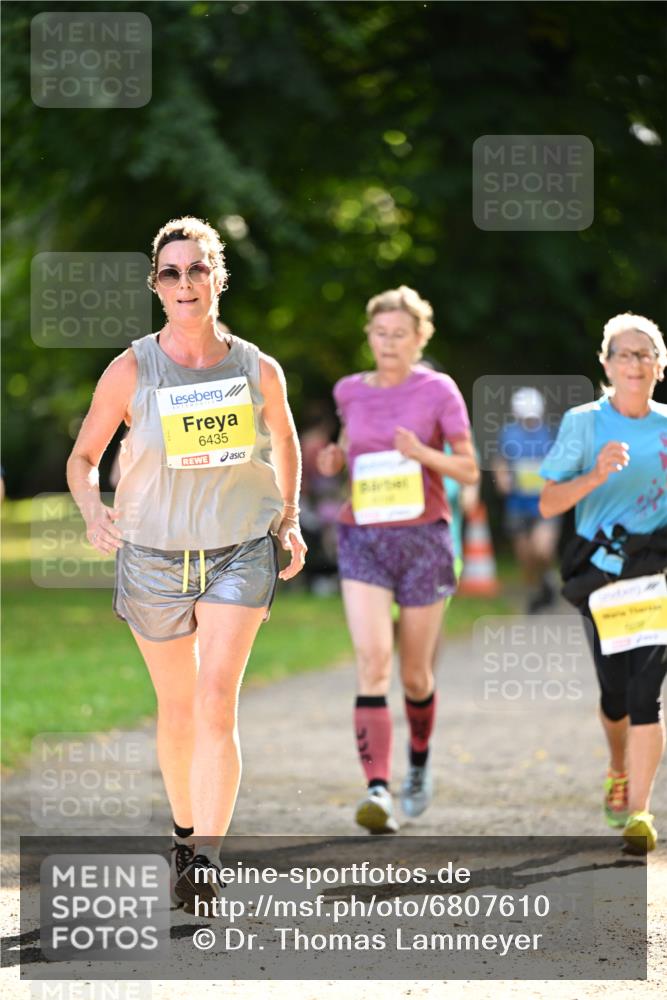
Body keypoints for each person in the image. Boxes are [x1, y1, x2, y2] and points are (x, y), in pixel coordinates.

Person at [67, 216, 307, 906]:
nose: (184, 283)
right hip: (151, 556)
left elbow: (284, 443)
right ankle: (182, 833)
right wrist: (91, 510)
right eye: (170, 272)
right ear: (156, 285)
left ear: (217, 278)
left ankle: (205, 857)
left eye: (196, 269)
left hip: (238, 548)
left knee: (213, 701)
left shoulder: (256, 367)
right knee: (176, 710)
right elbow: (82, 459)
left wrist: (287, 519)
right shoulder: (131, 367)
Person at [317, 286, 479, 833]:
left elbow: (469, 470)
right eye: (380, 334)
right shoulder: (349, 391)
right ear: (369, 336)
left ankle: (419, 764)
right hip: (363, 538)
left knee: (414, 674)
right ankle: (378, 791)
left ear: (419, 339)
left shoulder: (438, 391)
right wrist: (336, 455)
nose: (388, 343)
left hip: (424, 543)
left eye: (399, 335)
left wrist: (422, 454)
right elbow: (349, 444)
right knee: (372, 662)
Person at [539, 312, 667, 853]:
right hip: (602, 577)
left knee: (646, 694)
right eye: (623, 354)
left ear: (660, 364)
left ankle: (639, 810)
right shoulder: (584, 423)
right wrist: (595, 475)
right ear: (605, 364)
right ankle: (617, 764)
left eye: (644, 354)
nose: (634, 363)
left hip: (656, 576)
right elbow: (548, 501)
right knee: (614, 694)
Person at [493, 387, 560, 612]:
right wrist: (502, 479)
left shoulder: (549, 434)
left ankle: (547, 576)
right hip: (517, 503)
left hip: (544, 503)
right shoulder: (508, 434)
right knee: (525, 554)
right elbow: (500, 461)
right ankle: (539, 590)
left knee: (542, 549)